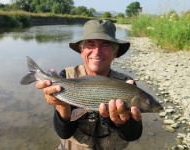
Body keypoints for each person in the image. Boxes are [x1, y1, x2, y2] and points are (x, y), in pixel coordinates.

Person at [36, 20, 143, 150]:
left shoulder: (127, 84)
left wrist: (122, 124)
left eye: (105, 45)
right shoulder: (66, 77)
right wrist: (62, 105)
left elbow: (133, 135)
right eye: (90, 45)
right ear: (81, 50)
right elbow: (64, 133)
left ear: (115, 53)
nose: (97, 51)